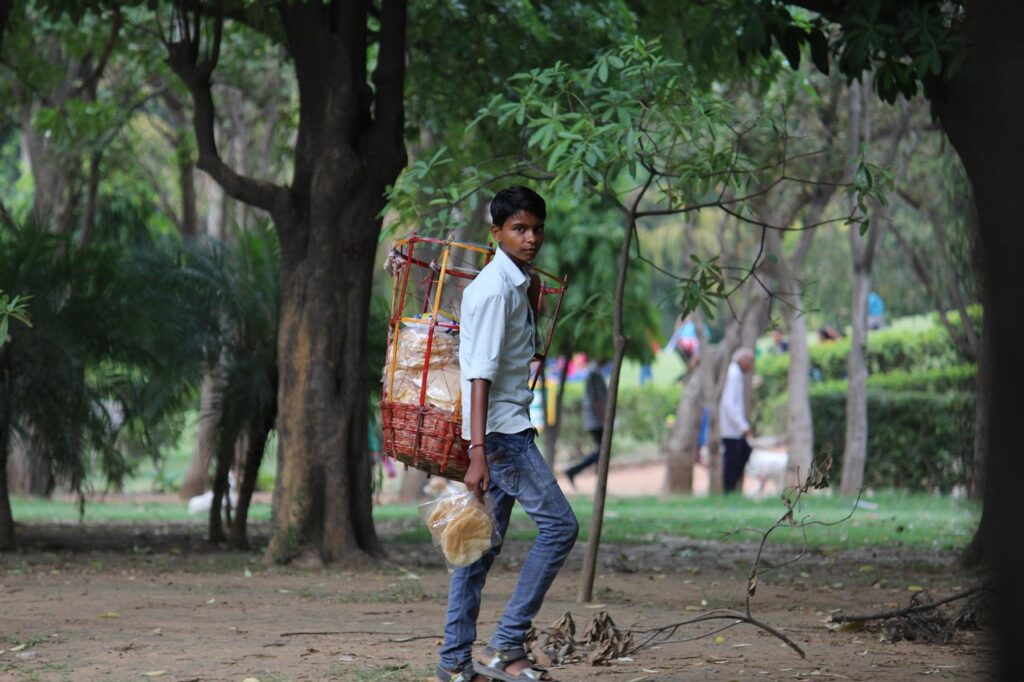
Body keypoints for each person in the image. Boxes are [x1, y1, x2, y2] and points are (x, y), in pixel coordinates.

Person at [436, 187, 578, 682]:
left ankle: (455, 666)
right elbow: (479, 374)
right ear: (496, 233)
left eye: (537, 228)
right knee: (561, 527)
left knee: (476, 550)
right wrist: (478, 453)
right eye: (519, 228)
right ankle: (507, 644)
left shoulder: (514, 283)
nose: (531, 237)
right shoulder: (496, 289)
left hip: (502, 430)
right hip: (501, 436)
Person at [561, 356, 608, 488]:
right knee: (603, 451)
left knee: (602, 451)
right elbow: (596, 400)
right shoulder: (594, 374)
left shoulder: (595, 372)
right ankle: (574, 471)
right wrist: (605, 419)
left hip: (596, 420)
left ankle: (593, 478)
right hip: (596, 421)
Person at [720, 347, 755, 493]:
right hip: (731, 428)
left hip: (734, 427)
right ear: (743, 360)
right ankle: (729, 489)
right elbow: (729, 403)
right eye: (750, 362)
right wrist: (742, 425)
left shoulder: (736, 374)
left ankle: (733, 488)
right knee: (732, 460)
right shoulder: (733, 374)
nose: (751, 366)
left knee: (742, 453)